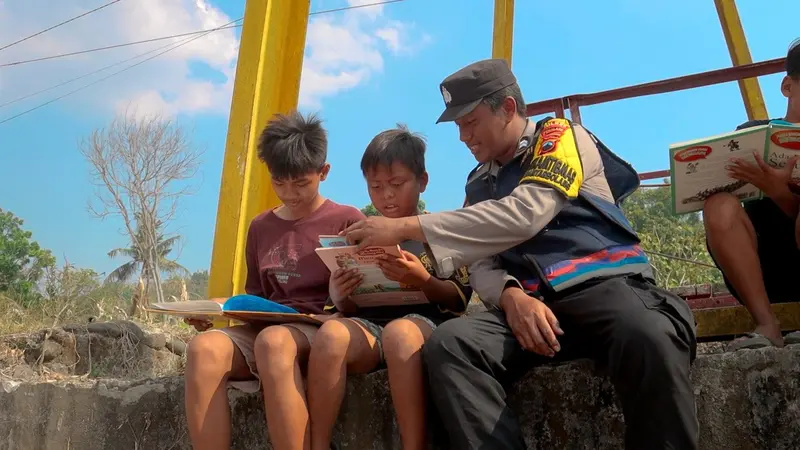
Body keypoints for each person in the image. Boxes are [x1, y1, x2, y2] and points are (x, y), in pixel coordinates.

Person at [342, 59, 698, 449]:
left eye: (470, 122)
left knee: (649, 334)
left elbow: (526, 213)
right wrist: (511, 296)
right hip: (532, 307)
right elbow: (482, 263)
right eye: (459, 126)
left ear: (508, 108)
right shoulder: (479, 181)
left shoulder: (560, 137)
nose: (463, 137)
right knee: (451, 344)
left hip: (605, 288)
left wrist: (407, 227)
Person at [183, 111, 365, 450]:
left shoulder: (347, 220)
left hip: (317, 328)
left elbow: (364, 298)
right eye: (279, 182)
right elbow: (257, 297)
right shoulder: (260, 226)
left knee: (274, 342)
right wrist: (218, 315)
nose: (289, 193)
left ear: (323, 172)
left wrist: (341, 299)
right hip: (267, 326)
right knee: (204, 349)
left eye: (300, 183)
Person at [306, 126, 472, 450]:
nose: (387, 195)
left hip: (424, 326)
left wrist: (421, 280)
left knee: (399, 334)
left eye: (397, 184)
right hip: (370, 329)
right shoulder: (356, 236)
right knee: (329, 336)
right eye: (376, 187)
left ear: (422, 181)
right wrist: (341, 294)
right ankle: (318, 444)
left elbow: (459, 299)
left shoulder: (439, 232)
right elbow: (345, 309)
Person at [703, 38, 800, 350]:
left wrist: (780, 193)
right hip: (760, 268)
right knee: (718, 204)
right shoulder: (752, 131)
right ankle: (766, 324)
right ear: (787, 86)